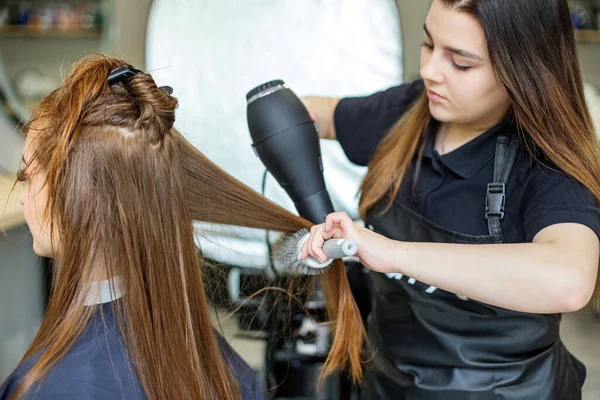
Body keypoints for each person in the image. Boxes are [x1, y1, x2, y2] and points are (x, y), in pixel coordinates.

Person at [0, 54, 364, 399]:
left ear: (79, 197)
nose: (21, 196)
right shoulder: (223, 367)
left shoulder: (51, 387)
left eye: (27, 176)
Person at [301, 0, 600, 398]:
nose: (429, 71)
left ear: (524, 71)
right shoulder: (410, 110)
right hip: (389, 381)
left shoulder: (545, 166)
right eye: (428, 45)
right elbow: (311, 114)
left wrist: (392, 253)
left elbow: (569, 280)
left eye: (460, 63)